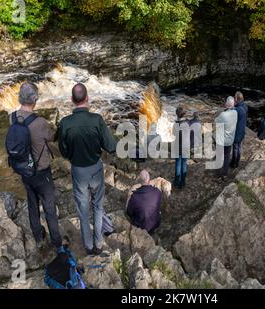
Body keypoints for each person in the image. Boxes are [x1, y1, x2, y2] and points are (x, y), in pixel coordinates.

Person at [57, 83, 117, 256]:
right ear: (87, 98)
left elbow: (63, 151)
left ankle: (89, 247)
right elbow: (111, 146)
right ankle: (99, 242)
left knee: (83, 212)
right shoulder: (97, 120)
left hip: (78, 171)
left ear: (71, 100)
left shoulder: (65, 123)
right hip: (96, 169)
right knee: (98, 207)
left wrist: (73, 156)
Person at [11, 82, 62, 250]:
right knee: (49, 207)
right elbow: (52, 137)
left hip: (24, 170)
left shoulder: (11, 117)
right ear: (35, 100)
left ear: (20, 98)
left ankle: (38, 238)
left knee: (33, 205)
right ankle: (56, 242)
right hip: (42, 171)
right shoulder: (40, 122)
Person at [126, 170, 162, 235]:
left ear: (139, 181)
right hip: (154, 223)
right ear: (149, 179)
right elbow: (158, 206)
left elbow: (129, 212)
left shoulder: (134, 196)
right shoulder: (157, 192)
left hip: (140, 226)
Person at [215, 96, 238, 179]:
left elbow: (216, 121)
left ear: (226, 104)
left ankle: (218, 174)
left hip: (221, 140)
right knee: (227, 156)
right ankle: (225, 174)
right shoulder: (235, 113)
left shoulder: (223, 114)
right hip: (230, 139)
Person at [172, 106, 190, 189]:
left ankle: (176, 182)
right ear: (184, 114)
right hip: (186, 146)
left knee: (178, 164)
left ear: (177, 115)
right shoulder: (187, 123)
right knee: (184, 164)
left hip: (178, 147)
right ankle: (182, 183)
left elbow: (174, 134)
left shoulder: (176, 125)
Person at [231, 91, 248, 168]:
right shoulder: (245, 106)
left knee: (235, 148)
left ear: (237, 99)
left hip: (236, 131)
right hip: (242, 130)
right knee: (239, 147)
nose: (234, 99)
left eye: (235, 97)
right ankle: (237, 162)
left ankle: (233, 163)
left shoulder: (236, 110)